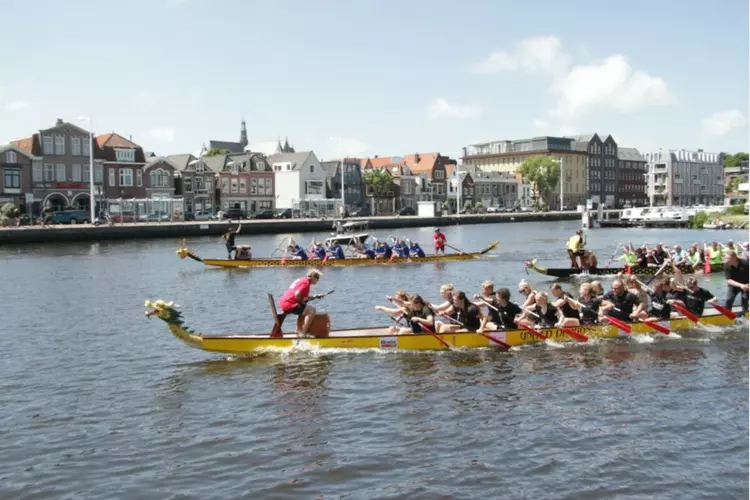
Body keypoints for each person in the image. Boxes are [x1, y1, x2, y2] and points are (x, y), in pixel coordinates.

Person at [279, 269, 322, 337]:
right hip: (289, 304)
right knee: (312, 310)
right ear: (313, 277)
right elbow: (297, 294)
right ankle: (303, 333)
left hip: (284, 303)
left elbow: (303, 298)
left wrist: (315, 297)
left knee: (304, 309)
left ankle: (298, 330)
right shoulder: (306, 283)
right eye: (317, 278)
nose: (318, 280)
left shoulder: (302, 280)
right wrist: (301, 303)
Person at [724, 250, 749, 315]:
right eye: (726, 258)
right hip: (734, 285)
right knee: (729, 300)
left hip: (746, 285)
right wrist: (741, 285)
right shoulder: (726, 265)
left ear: (735, 258)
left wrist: (748, 285)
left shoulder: (745, 263)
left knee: (745, 300)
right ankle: (727, 315)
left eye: (728, 258)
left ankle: (745, 314)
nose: (727, 260)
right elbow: (729, 280)